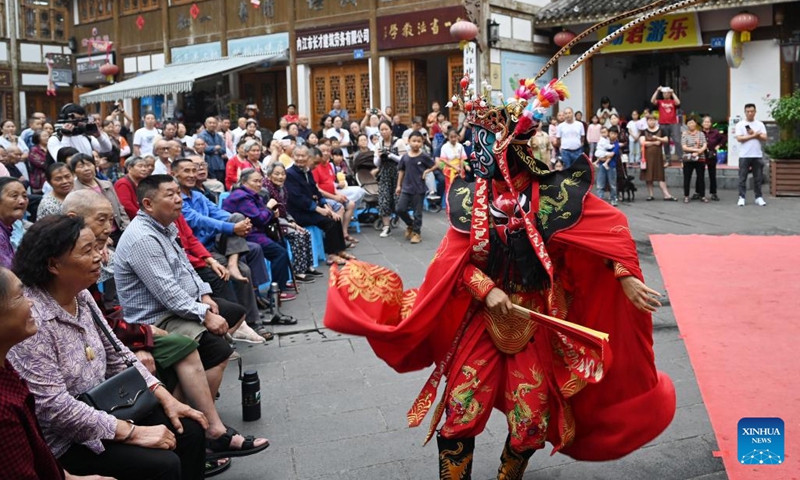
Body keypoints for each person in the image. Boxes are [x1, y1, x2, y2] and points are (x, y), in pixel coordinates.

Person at [325, 71, 675, 479]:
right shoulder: (468, 196)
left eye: (483, 142)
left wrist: (624, 274)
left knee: (530, 425)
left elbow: (606, 228)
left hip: (536, 319)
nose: (474, 151)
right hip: (482, 317)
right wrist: (485, 288)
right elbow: (452, 264)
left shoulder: (554, 193)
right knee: (461, 410)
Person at [8, 215, 208, 479]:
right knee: (162, 463)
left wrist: (167, 398)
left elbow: (119, 356)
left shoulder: (82, 295)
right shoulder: (33, 319)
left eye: (97, 247)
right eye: (87, 251)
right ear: (53, 264)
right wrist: (133, 433)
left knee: (190, 429)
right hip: (69, 439)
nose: (100, 257)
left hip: (109, 407)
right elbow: (54, 408)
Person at [0, 266, 117, 480]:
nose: (30, 303)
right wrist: (127, 431)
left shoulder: (7, 370)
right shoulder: (3, 409)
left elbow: (116, 350)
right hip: (67, 439)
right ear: (54, 264)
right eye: (19, 297)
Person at [222, 168, 293, 290]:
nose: (259, 184)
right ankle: (277, 291)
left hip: (256, 231)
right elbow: (259, 218)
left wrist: (271, 213)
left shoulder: (252, 194)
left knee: (281, 245)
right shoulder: (241, 197)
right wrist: (269, 209)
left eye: (260, 181)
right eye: (255, 181)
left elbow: (262, 215)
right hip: (244, 234)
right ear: (244, 182)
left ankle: (282, 283)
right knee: (279, 253)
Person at [284, 145, 353, 266]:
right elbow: (298, 199)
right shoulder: (290, 174)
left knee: (335, 217)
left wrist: (326, 206)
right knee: (329, 222)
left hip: (310, 209)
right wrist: (319, 210)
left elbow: (315, 191)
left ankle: (340, 250)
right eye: (297, 156)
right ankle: (331, 255)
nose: (300, 158)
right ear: (293, 157)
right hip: (298, 212)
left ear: (308, 157)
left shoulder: (307, 172)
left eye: (303, 156)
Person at [263, 162, 321, 281]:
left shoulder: (282, 188)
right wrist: (289, 224)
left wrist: (292, 221)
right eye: (277, 174)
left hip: (284, 219)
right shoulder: (266, 190)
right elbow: (270, 213)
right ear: (269, 175)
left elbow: (285, 209)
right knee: (297, 235)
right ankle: (298, 272)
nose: (280, 177)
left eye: (283, 174)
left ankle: (306, 267)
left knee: (305, 233)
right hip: (272, 222)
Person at [69, 153, 130, 245]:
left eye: (89, 164)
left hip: (118, 230)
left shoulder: (107, 184)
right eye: (81, 166)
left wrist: (127, 228)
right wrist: (99, 236)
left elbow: (119, 207)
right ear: (74, 172)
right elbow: (80, 220)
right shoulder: (74, 193)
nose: (86, 169)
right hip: (98, 236)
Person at [395, 132, 435, 244]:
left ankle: (417, 233)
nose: (416, 144)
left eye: (419, 141)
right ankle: (410, 224)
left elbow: (436, 165)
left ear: (422, 143)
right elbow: (401, 170)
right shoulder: (405, 157)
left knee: (418, 213)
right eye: (414, 141)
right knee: (400, 209)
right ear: (408, 141)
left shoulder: (424, 156)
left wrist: (427, 171)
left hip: (419, 188)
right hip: (406, 188)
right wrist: (399, 185)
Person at [734, 104, 768, 207]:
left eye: (752, 111)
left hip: (757, 155)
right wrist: (754, 135)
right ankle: (742, 197)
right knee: (742, 177)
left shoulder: (760, 124)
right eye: (748, 111)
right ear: (745, 112)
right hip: (744, 155)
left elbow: (764, 138)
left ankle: (758, 197)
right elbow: (739, 139)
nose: (750, 113)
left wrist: (754, 134)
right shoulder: (740, 124)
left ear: (755, 112)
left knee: (758, 178)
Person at [640, 114, 678, 202]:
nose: (651, 121)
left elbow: (666, 140)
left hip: (658, 156)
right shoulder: (643, 131)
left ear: (656, 121)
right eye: (650, 120)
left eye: (653, 120)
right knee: (648, 176)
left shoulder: (661, 130)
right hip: (647, 156)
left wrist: (657, 138)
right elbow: (642, 142)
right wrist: (655, 143)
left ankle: (666, 194)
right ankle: (650, 194)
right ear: (647, 121)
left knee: (660, 175)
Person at [375, 121, 401, 238]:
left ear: (391, 130)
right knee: (383, 199)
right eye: (381, 129)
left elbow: (403, 160)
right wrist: (380, 156)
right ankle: (386, 227)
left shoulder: (398, 142)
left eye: (386, 129)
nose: (384, 132)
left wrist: (391, 155)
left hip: (398, 174)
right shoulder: (378, 144)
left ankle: (408, 223)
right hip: (384, 174)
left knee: (398, 200)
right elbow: (376, 163)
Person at [115, 155, 156, 220]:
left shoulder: (143, 183)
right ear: (129, 168)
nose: (144, 169)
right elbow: (127, 206)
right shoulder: (123, 183)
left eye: (145, 166)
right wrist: (145, 218)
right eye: (140, 166)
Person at [651, 86, 682, 162]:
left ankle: (681, 158)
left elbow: (678, 102)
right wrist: (657, 90)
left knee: (677, 140)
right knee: (665, 141)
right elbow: (652, 100)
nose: (666, 94)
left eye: (668, 93)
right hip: (663, 123)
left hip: (673, 123)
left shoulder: (672, 101)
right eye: (664, 93)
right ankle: (668, 159)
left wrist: (673, 93)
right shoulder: (660, 102)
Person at [680, 117, 708, 203]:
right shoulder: (684, 134)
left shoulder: (701, 134)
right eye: (689, 123)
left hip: (700, 159)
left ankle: (702, 195)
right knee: (687, 178)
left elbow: (704, 145)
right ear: (686, 125)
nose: (691, 124)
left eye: (692, 122)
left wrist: (700, 151)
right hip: (688, 159)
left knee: (701, 178)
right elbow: (684, 147)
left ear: (695, 123)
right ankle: (686, 196)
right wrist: (695, 150)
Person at [700, 116, 725, 202]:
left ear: (711, 123)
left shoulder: (715, 132)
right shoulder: (699, 132)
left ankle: (714, 193)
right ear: (702, 123)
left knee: (712, 175)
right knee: (700, 175)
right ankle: (699, 193)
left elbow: (724, 138)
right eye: (705, 122)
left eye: (708, 122)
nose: (707, 123)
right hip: (701, 155)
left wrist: (718, 146)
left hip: (711, 155)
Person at [596, 126, 620, 206]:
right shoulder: (604, 141)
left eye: (615, 134)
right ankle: (600, 199)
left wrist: (603, 158)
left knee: (612, 184)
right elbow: (599, 151)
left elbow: (612, 155)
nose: (613, 135)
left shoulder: (616, 144)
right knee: (600, 183)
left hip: (612, 165)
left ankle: (614, 198)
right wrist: (600, 158)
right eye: (611, 133)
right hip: (601, 165)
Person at [198, 117, 228, 184]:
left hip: (220, 165)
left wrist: (212, 149)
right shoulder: (202, 135)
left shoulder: (218, 136)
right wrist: (215, 148)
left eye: (214, 123)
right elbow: (203, 149)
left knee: (221, 183)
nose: (212, 125)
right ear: (205, 124)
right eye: (210, 123)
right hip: (209, 163)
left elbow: (223, 149)